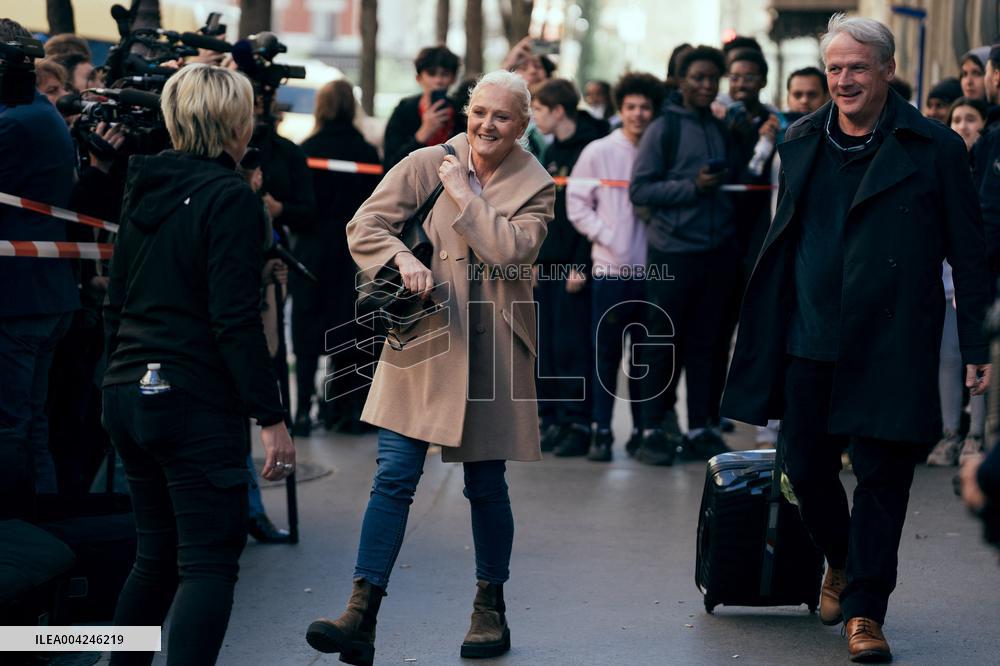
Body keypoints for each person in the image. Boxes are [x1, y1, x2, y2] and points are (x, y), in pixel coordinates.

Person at [722, 15, 992, 662]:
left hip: (894, 342)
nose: (843, 79)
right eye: (835, 68)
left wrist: (978, 350)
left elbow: (970, 251)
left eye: (857, 68)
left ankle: (867, 611)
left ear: (887, 71)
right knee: (803, 466)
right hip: (809, 337)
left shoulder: (933, 146)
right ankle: (841, 561)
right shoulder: (803, 136)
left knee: (882, 479)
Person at [305, 70, 554, 665]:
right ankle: (360, 614)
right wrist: (399, 260)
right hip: (423, 333)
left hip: (493, 343)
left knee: (486, 483)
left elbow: (513, 251)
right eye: (479, 112)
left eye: (502, 117)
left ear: (522, 126)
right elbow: (365, 225)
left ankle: (489, 608)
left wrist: (464, 194)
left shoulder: (538, 183)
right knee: (393, 475)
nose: (486, 125)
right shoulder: (427, 161)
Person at [102, 64, 295, 666]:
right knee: (208, 562)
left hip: (129, 390)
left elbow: (116, 300)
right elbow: (234, 320)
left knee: (154, 559)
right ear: (234, 122)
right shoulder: (231, 197)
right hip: (190, 398)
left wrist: (117, 378)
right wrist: (272, 418)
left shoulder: (143, 183)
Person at [629, 45, 739, 466]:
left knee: (707, 345)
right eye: (698, 77)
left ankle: (699, 430)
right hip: (673, 253)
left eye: (713, 78)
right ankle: (653, 430)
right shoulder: (663, 129)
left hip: (716, 253)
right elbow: (640, 190)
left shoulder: (717, 125)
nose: (707, 85)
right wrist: (693, 187)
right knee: (663, 344)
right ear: (680, 80)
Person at [0, 18, 78, 518]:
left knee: (13, 428)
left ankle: (23, 539)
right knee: (31, 425)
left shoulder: (15, 122)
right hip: (44, 294)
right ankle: (44, 531)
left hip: (19, 301)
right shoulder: (37, 114)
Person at [566, 72, 664, 461]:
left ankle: (643, 431)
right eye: (630, 107)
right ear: (620, 110)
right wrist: (609, 237)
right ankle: (601, 430)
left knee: (645, 358)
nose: (638, 114)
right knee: (605, 355)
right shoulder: (598, 151)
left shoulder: (659, 150)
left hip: (653, 273)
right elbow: (576, 204)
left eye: (645, 107)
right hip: (609, 271)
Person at [298, 79, 381, 434]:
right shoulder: (366, 152)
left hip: (310, 251)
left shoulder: (306, 149)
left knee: (304, 333)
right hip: (353, 252)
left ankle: (301, 411)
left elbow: (300, 206)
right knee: (346, 330)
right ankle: (343, 410)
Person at [530, 78, 607, 457]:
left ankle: (578, 421)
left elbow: (589, 212)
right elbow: (544, 213)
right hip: (546, 264)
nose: (534, 117)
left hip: (574, 267)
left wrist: (581, 264)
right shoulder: (550, 150)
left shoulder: (589, 149)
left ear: (559, 110)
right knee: (546, 347)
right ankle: (554, 418)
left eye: (540, 109)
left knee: (572, 346)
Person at [926, 96, 991, 469]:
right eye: (956, 119)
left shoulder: (984, 167)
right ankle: (951, 434)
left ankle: (976, 436)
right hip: (946, 283)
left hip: (978, 282)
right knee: (949, 359)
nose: (962, 126)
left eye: (970, 119)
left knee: (978, 358)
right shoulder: (940, 164)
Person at [383, 45, 467, 171]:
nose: (438, 80)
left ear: (453, 79)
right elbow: (390, 164)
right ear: (419, 78)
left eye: (445, 74)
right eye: (431, 73)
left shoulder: (461, 112)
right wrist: (423, 133)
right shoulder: (404, 110)